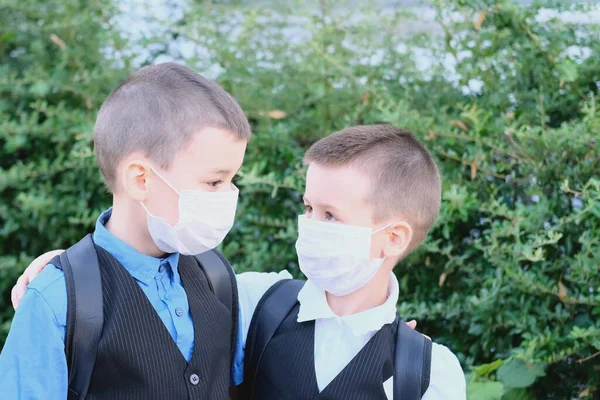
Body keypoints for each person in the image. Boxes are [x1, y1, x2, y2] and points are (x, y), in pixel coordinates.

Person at [0, 62, 291, 399]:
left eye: (232, 180)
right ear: (141, 179)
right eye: (214, 181)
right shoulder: (57, 300)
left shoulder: (216, 277)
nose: (229, 195)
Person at [241, 125, 466, 399]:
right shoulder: (254, 302)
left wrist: (412, 357)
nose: (309, 225)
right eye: (309, 208)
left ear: (394, 238)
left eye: (330, 215)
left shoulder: (430, 375)